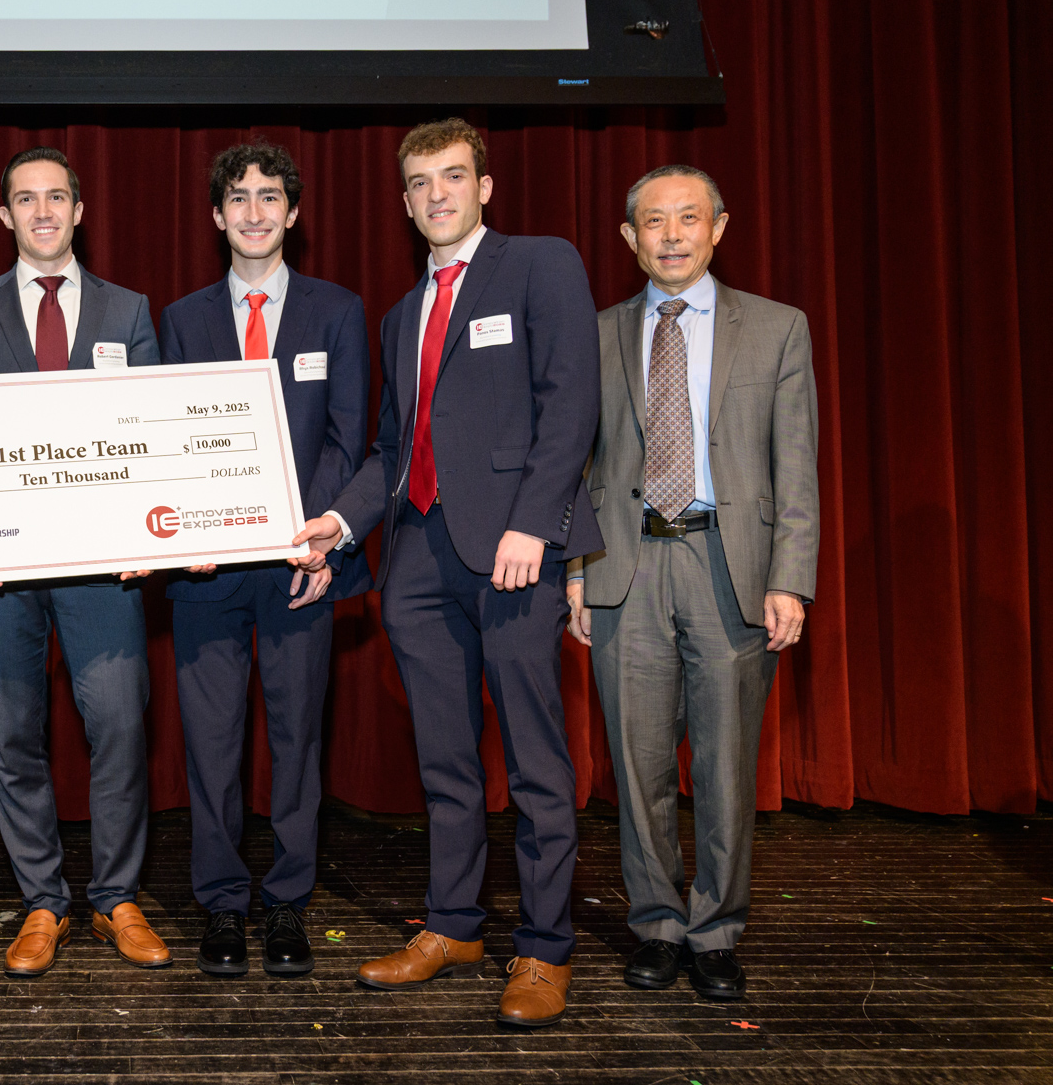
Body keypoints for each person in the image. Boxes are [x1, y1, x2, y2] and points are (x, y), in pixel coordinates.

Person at [292, 118, 601, 1026]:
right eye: (420, 182)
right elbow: (392, 449)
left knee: (538, 761)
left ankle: (544, 950)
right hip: (419, 560)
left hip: (511, 553)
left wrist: (535, 529)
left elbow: (571, 402)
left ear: (485, 187)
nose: (437, 194)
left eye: (453, 177)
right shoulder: (401, 313)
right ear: (404, 199)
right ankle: (456, 923)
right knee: (446, 759)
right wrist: (340, 524)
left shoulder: (540, 264)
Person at [567, 165, 817, 1001]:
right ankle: (657, 925)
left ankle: (715, 929)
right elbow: (578, 464)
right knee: (636, 768)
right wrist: (575, 567)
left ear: (720, 227)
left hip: (729, 568)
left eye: (689, 219)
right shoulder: (597, 334)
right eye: (653, 222)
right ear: (628, 239)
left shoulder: (778, 330)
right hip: (625, 568)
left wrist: (792, 579)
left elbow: (798, 468)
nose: (671, 235)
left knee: (724, 764)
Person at [0, 146, 168, 978]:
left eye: (57, 197)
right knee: (15, 736)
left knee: (120, 726)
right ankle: (42, 901)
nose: (43, 212)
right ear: (4, 216)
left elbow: (146, 436)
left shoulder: (130, 309)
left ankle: (116, 898)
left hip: (105, 568)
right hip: (0, 572)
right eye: (26, 200)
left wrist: (145, 537)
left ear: (79, 209)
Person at [157, 142, 370, 978]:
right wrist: (189, 537)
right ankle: (221, 905)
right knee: (211, 746)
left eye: (269, 196)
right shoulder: (182, 319)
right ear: (217, 215)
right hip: (204, 574)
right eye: (238, 198)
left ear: (293, 212)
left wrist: (318, 534)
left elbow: (350, 436)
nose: (253, 211)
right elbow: (166, 439)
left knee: (295, 740)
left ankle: (285, 902)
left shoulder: (337, 310)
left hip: (299, 568)